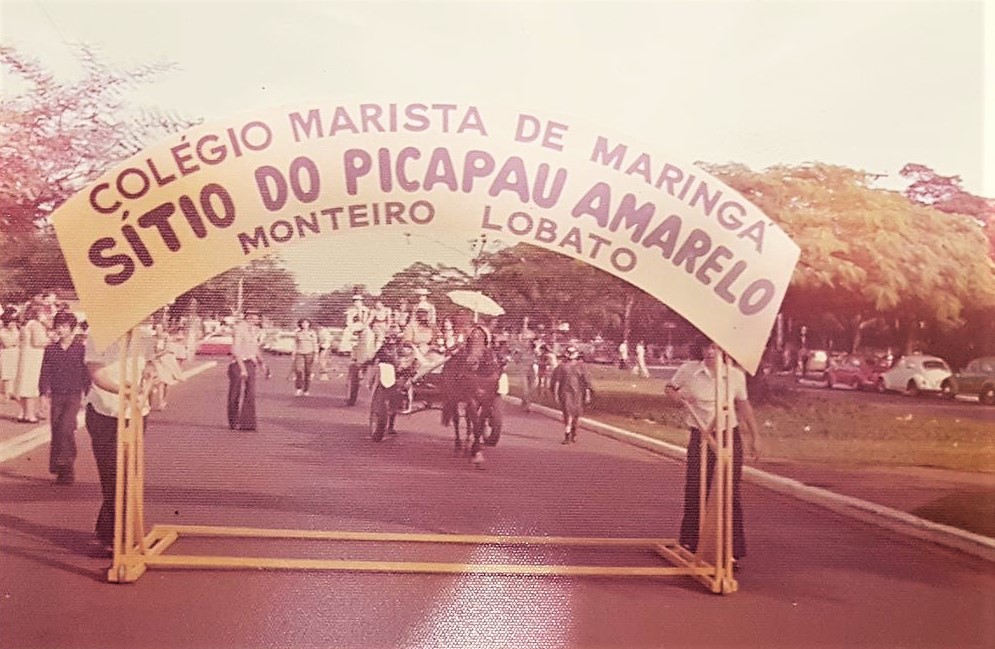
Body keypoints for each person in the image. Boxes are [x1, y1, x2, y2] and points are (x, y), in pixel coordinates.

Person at [665, 341, 760, 564]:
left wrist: (755, 437)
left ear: (724, 351)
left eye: (715, 348)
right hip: (701, 434)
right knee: (696, 487)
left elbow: (744, 406)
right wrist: (676, 397)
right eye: (706, 347)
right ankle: (690, 542)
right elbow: (670, 388)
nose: (709, 351)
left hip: (727, 434)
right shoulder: (689, 370)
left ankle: (731, 551)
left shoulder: (735, 376)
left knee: (728, 491)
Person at [84, 329, 151, 555]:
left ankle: (111, 531)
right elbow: (96, 374)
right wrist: (125, 390)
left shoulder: (143, 337)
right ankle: (117, 534)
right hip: (106, 412)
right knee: (113, 474)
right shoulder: (98, 334)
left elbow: (148, 366)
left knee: (129, 473)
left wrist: (150, 377)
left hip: (136, 412)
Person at [39, 311, 89, 485]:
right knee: (56, 429)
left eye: (64, 326)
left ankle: (67, 465)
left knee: (66, 428)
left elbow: (86, 373)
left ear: (72, 328)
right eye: (58, 325)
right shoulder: (50, 349)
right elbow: (45, 372)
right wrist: (43, 394)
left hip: (74, 394)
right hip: (57, 394)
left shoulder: (81, 349)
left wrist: (87, 395)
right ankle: (61, 468)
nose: (60, 329)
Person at [12, 304, 51, 423]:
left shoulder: (27, 324)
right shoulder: (36, 325)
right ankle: (30, 415)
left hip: (26, 356)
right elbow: (38, 341)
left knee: (24, 386)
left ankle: (23, 413)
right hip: (34, 357)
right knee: (31, 387)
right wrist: (50, 339)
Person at [228, 309, 265, 431]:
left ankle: (247, 423)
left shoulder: (254, 330)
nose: (254, 320)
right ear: (247, 317)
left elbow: (255, 348)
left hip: (250, 362)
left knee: (251, 393)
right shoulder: (239, 328)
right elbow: (235, 350)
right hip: (238, 363)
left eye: (256, 318)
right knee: (235, 393)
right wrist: (242, 369)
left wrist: (262, 362)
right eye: (251, 317)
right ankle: (234, 421)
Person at [549, 345, 594, 444]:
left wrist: (588, 394)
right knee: (568, 414)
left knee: (576, 415)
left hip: (578, 393)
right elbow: (557, 381)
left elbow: (586, 382)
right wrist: (556, 394)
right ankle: (567, 434)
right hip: (566, 393)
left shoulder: (582, 367)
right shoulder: (561, 367)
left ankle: (574, 432)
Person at [291, 318, 318, 397]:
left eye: (306, 323)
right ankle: (298, 388)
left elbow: (315, 343)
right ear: (300, 324)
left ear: (309, 324)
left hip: (309, 353)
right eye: (303, 323)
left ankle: (306, 390)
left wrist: (316, 354)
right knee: (298, 370)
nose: (305, 325)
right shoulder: (298, 332)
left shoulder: (312, 332)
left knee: (308, 372)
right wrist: (293, 353)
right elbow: (295, 343)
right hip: (300, 353)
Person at [0, 311, 20, 400]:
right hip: (6, 353)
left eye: (13, 322)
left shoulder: (16, 330)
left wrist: (15, 341)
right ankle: (7, 395)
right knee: (7, 375)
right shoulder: (2, 332)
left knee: (15, 373)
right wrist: (15, 341)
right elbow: (7, 343)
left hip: (16, 352)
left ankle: (15, 393)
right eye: (10, 322)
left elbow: (19, 340)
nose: (12, 324)